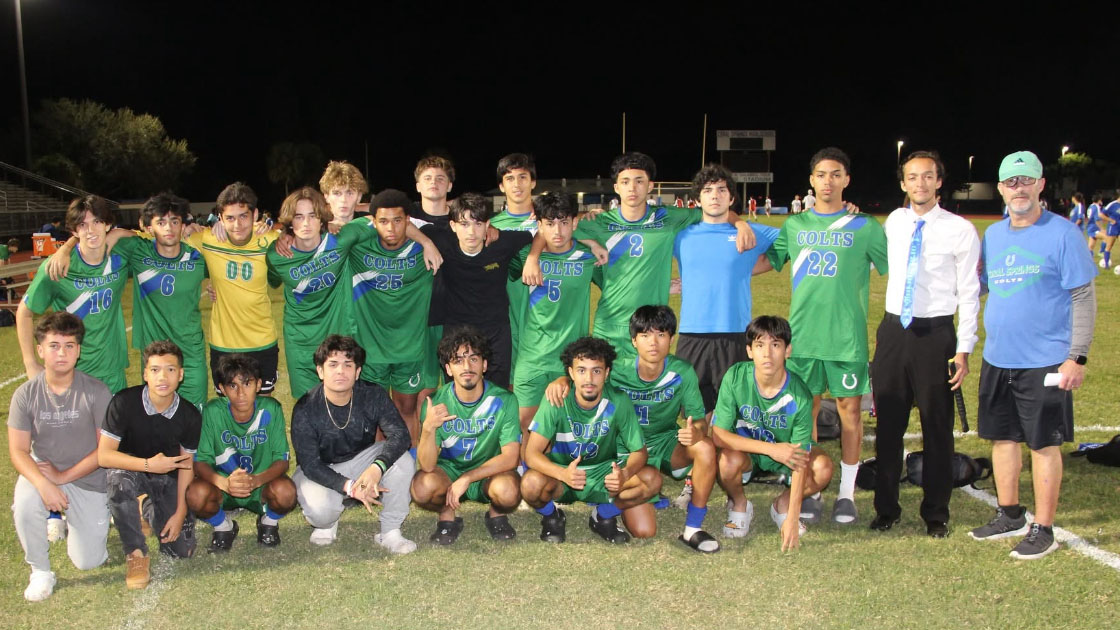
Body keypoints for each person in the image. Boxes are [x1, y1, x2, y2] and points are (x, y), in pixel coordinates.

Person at [970, 150, 1096, 560]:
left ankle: (1044, 527)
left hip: (1046, 360)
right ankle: (1010, 514)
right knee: (1002, 438)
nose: (1018, 188)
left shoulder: (1062, 233)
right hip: (998, 356)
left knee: (1044, 444)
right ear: (1002, 188)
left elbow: (1082, 295)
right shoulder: (994, 235)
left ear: (1041, 184)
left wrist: (1076, 357)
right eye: (1011, 182)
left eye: (1026, 181)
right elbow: (984, 285)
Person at [767, 147, 888, 525]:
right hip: (802, 340)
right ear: (811, 181)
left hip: (846, 340)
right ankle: (812, 486)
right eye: (821, 174)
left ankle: (847, 494)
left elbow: (897, 271)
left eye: (836, 174)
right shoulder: (795, 226)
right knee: (808, 413)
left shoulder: (865, 227)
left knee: (851, 412)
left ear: (846, 180)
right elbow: (765, 260)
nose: (828, 181)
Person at [870, 151, 981, 538]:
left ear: (938, 182)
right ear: (903, 183)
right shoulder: (894, 223)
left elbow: (969, 292)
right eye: (912, 177)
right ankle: (886, 507)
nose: (920, 183)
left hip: (935, 333)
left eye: (927, 176)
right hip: (892, 332)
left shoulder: (960, 230)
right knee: (888, 426)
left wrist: (963, 348)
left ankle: (936, 512)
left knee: (937, 428)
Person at [547, 306, 718, 552]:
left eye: (661, 334)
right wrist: (563, 379)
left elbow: (699, 420)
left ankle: (693, 528)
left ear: (671, 338)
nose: (654, 342)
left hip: (664, 443)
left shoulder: (682, 371)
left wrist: (698, 432)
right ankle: (603, 511)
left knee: (705, 447)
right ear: (634, 341)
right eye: (646, 335)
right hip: (624, 449)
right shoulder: (617, 369)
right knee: (644, 531)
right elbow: (588, 376)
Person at [555, 152, 753, 356]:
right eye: (625, 182)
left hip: (652, 330)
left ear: (650, 186)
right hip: (610, 325)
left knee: (647, 385)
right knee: (606, 385)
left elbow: (714, 211)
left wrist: (740, 223)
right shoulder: (599, 223)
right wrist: (592, 243)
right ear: (616, 187)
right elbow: (561, 230)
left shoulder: (667, 217)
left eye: (639, 181)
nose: (632, 188)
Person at [49, 192, 209, 407]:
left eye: (175, 221)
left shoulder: (199, 255)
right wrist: (66, 248)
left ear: (183, 224)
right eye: (161, 222)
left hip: (191, 354)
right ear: (148, 227)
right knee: (156, 422)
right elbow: (92, 233)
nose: (169, 228)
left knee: (193, 422)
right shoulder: (136, 250)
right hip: (155, 356)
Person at [8, 313, 110, 601]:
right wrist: (43, 484)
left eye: (69, 345)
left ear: (78, 350)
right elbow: (17, 450)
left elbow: (105, 452)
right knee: (26, 503)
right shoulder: (25, 395)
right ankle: (40, 570)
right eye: (53, 346)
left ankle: (80, 517)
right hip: (44, 473)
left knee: (88, 561)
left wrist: (62, 478)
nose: (61, 353)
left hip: (87, 479)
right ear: (40, 350)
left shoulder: (96, 391)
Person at [521, 337, 661, 544]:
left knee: (652, 481)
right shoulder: (556, 400)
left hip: (603, 474)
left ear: (606, 373)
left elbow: (639, 452)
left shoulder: (618, 400)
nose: (589, 379)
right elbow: (531, 454)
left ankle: (602, 516)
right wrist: (563, 474)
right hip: (563, 475)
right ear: (570, 373)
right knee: (530, 484)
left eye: (596, 371)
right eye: (581, 370)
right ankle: (552, 516)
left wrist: (625, 474)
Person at [711, 315, 834, 550]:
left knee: (823, 467)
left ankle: (782, 505)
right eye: (759, 345)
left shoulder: (799, 395)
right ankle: (739, 505)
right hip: (749, 452)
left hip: (787, 455)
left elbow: (800, 460)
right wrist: (770, 449)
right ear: (749, 351)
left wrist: (792, 516)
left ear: (788, 350)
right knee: (726, 461)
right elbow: (718, 434)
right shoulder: (735, 376)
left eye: (775, 345)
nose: (767, 353)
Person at [290, 335, 416, 553]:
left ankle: (390, 531)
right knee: (320, 514)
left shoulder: (373, 394)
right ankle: (331, 520)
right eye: (333, 364)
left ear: (357, 372)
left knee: (403, 461)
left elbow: (401, 435)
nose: (341, 371)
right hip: (322, 467)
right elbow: (310, 464)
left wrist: (377, 468)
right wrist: (349, 486)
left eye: (348, 365)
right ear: (320, 371)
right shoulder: (305, 407)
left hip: (363, 461)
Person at [99, 340, 201, 589]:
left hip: (168, 479)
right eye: (155, 370)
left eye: (170, 369)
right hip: (131, 472)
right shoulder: (123, 402)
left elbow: (187, 465)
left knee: (180, 550)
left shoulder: (190, 415)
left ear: (181, 374)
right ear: (145, 374)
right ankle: (135, 553)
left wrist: (180, 513)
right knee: (118, 482)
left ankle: (146, 506)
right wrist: (147, 465)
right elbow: (104, 456)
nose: (162, 377)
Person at [347, 188, 441, 446]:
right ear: (373, 222)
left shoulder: (423, 248)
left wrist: (427, 242)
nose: (391, 228)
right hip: (370, 348)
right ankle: (377, 470)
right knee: (372, 416)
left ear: (408, 221)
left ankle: (408, 469)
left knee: (406, 410)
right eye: (384, 221)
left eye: (398, 221)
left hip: (409, 348)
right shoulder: (358, 246)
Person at [411, 327, 522, 543]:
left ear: (484, 365)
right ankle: (447, 517)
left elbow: (511, 457)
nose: (467, 366)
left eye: (473, 359)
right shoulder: (436, 403)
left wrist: (468, 478)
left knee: (508, 491)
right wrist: (428, 428)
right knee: (423, 488)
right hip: (450, 471)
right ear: (448, 369)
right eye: (458, 360)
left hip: (489, 472)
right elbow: (426, 465)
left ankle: (496, 515)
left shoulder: (505, 400)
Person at [508, 193, 596, 444]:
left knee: (562, 425)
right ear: (539, 225)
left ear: (575, 222)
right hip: (531, 355)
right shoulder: (525, 255)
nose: (557, 230)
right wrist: (534, 256)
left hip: (569, 356)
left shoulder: (588, 257)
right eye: (549, 223)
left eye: (564, 222)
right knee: (525, 423)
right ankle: (527, 478)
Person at [424, 192, 535, 389]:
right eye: (464, 224)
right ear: (453, 226)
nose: (471, 232)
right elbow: (403, 222)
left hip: (496, 331)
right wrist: (425, 243)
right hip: (456, 331)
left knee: (497, 394)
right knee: (459, 394)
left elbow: (537, 233)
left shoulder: (502, 243)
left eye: (478, 223)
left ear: (487, 225)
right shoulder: (442, 241)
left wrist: (533, 257)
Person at [18, 196, 129, 393]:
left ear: (107, 224)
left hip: (113, 371)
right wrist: (30, 364)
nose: (91, 230)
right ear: (74, 230)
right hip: (72, 373)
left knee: (112, 425)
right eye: (83, 225)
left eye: (97, 222)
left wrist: (119, 233)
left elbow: (146, 236)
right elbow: (24, 312)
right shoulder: (57, 267)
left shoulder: (121, 255)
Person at [187, 354, 297, 551]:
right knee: (195, 495)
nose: (240, 393)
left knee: (286, 493)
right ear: (221, 389)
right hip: (223, 487)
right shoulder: (212, 412)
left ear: (258, 385)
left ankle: (268, 522)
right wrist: (223, 483)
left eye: (247, 384)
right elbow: (200, 462)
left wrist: (256, 480)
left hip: (259, 486)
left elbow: (282, 460)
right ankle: (224, 526)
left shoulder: (271, 409)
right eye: (232, 385)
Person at [185, 182, 283, 395]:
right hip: (224, 344)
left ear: (255, 214)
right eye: (229, 218)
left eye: (243, 216)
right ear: (220, 218)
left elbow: (299, 240)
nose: (237, 224)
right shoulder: (208, 239)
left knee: (262, 411)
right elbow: (169, 238)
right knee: (226, 412)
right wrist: (188, 227)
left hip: (262, 341)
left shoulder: (270, 240)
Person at [492, 153, 539, 386]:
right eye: (510, 179)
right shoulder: (491, 228)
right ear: (501, 186)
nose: (517, 184)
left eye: (523, 177)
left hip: (549, 318)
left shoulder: (551, 221)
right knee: (512, 391)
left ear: (533, 182)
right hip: (510, 322)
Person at [1100, 191, 1120, 269]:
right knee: (1109, 246)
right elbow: (1101, 214)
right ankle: (1106, 265)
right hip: (1113, 227)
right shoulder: (1113, 204)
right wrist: (1110, 220)